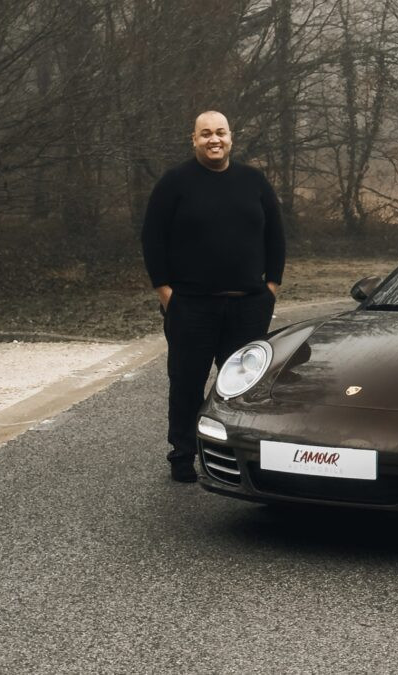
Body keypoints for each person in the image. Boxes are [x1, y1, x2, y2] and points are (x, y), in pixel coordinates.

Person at [141, 110, 286, 482]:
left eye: (220, 132)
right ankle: (183, 455)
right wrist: (166, 292)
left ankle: (241, 455)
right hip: (191, 306)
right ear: (194, 140)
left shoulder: (253, 180)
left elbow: (276, 236)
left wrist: (271, 289)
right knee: (187, 382)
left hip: (248, 304)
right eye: (205, 134)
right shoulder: (175, 183)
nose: (214, 140)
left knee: (245, 387)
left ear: (231, 137)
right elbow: (152, 238)